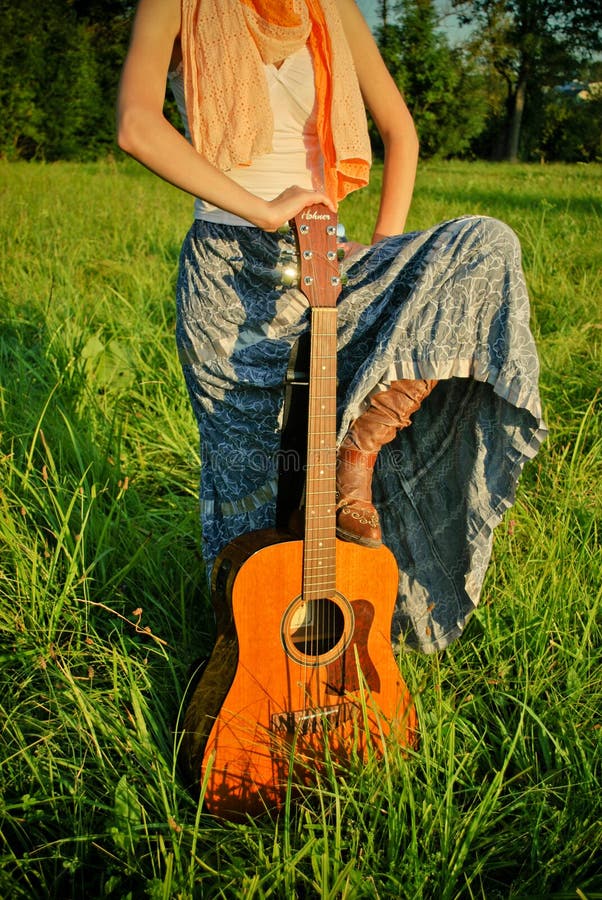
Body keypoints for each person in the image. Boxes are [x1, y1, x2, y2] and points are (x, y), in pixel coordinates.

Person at [117, 0, 546, 653]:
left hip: (331, 263)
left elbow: (400, 132)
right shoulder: (178, 4)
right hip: (231, 271)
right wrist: (264, 210)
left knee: (485, 247)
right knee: (248, 503)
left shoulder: (331, 6)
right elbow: (137, 126)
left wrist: (380, 249)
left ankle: (359, 452)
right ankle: (249, 679)